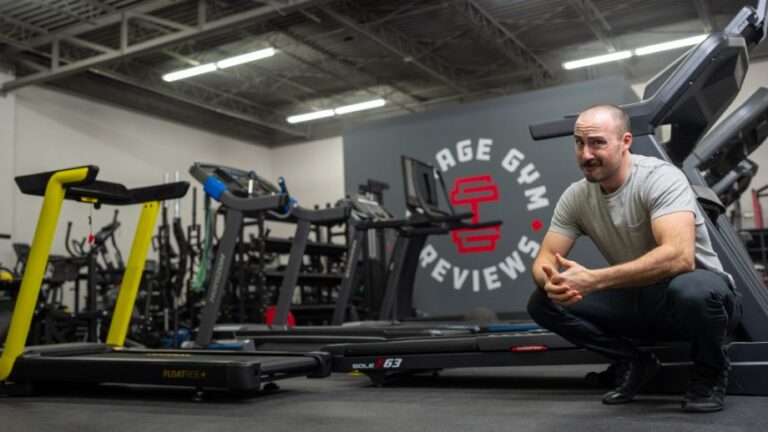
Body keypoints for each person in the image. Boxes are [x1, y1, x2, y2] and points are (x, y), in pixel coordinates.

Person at [527, 104, 742, 413]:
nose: (585, 154)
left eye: (597, 142)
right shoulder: (576, 196)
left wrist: (593, 280)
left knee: (691, 289)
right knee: (543, 301)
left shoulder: (660, 178)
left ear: (625, 141)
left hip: (701, 299)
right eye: (579, 143)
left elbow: (679, 258)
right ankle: (633, 361)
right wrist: (554, 282)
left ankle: (710, 373)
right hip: (642, 300)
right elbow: (543, 259)